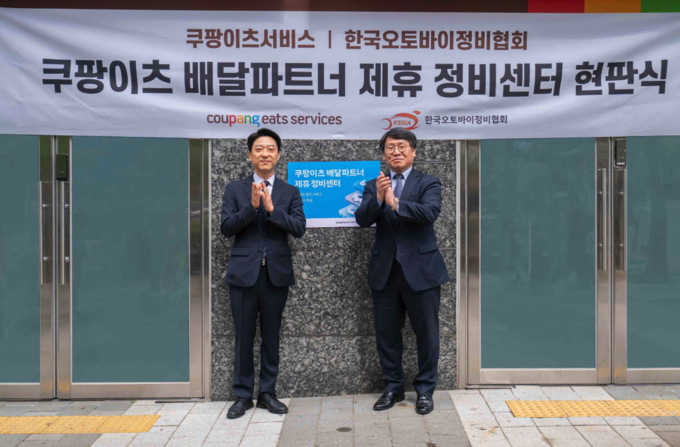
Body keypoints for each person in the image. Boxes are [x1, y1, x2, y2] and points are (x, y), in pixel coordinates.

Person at [355, 127, 450, 415]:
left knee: (427, 334)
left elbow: (430, 213)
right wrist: (378, 198)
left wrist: (396, 203)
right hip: (385, 272)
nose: (396, 152)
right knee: (386, 334)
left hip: (422, 271)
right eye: (390, 148)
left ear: (413, 151)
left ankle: (425, 391)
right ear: (384, 154)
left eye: (402, 147)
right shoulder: (374, 184)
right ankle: (393, 388)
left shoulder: (429, 182)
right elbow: (362, 219)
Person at [220, 128, 306, 419]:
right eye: (259, 149)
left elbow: (299, 228)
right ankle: (243, 395)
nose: (265, 154)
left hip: (275, 275)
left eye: (270, 149)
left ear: (278, 155)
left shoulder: (290, 192)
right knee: (243, 337)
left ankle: (267, 393)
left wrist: (272, 209)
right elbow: (226, 228)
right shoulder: (235, 189)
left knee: (271, 336)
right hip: (243, 275)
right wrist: (252, 207)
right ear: (250, 155)